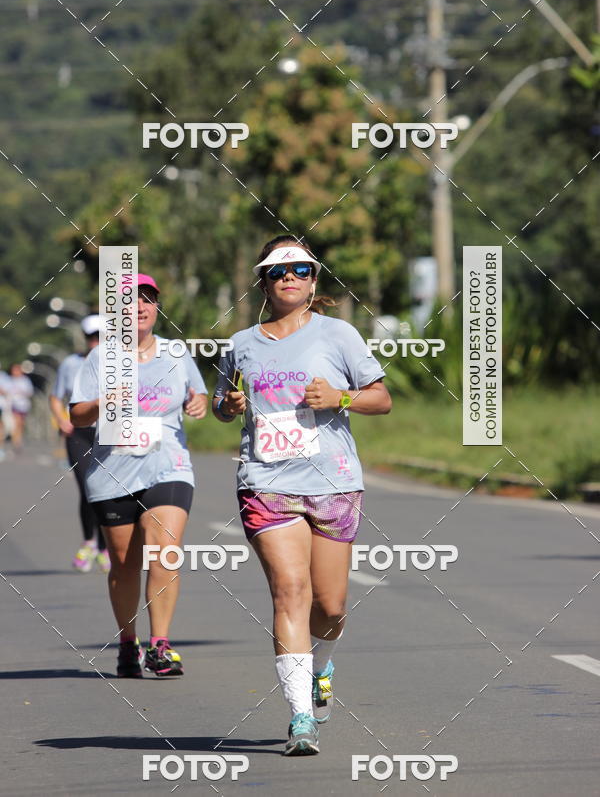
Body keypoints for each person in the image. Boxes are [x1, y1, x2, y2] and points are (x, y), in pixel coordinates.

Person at [214, 236, 392, 756]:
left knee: (331, 607)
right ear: (264, 282)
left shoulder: (339, 334)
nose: (289, 276)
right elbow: (225, 407)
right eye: (277, 270)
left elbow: (381, 399)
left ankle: (321, 667)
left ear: (314, 279)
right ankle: (299, 719)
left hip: (333, 482)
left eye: (300, 268)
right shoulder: (242, 343)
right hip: (266, 481)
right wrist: (230, 403)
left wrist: (341, 397)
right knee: (290, 590)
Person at [70, 274, 208, 678]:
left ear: (156, 307)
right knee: (125, 566)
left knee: (164, 551)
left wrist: (198, 402)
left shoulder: (177, 353)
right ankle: (128, 643)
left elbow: (195, 393)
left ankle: (160, 646)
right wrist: (103, 402)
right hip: (113, 472)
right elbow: (76, 413)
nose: (140, 307)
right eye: (130, 302)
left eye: (148, 299)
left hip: (169, 465)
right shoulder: (100, 359)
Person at [49, 315, 110, 572]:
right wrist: (62, 420)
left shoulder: (119, 363)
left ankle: (106, 548)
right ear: (85, 339)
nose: (95, 342)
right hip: (79, 434)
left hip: (109, 434)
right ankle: (89, 543)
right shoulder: (71, 364)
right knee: (88, 486)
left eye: (100, 337)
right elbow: (55, 397)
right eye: (91, 337)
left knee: (107, 491)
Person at [3, 363, 34, 453]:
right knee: (16, 422)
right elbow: (4, 391)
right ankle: (16, 442)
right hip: (12, 405)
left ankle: (18, 439)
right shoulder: (9, 380)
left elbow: (30, 392)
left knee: (20, 424)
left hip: (23, 406)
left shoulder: (25, 380)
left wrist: (22, 392)